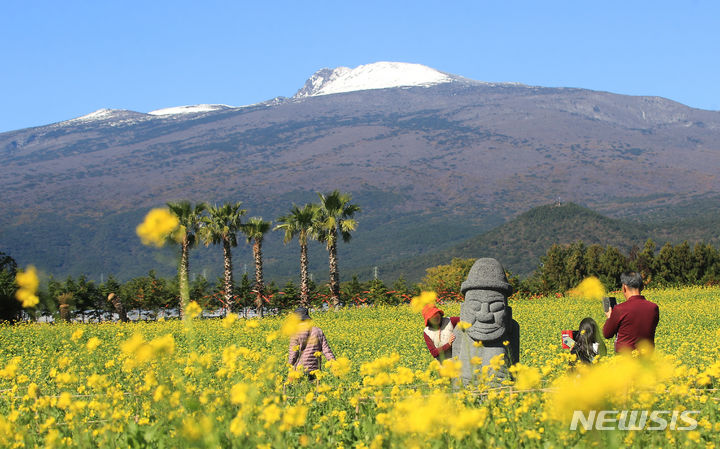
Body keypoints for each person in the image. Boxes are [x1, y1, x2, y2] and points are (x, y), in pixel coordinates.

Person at [602, 271, 660, 353]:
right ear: (642, 287)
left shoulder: (620, 309)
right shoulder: (654, 308)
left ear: (624, 287)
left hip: (626, 361)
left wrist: (610, 317)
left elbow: (607, 334)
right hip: (647, 360)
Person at [288, 307, 335, 379]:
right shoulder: (318, 331)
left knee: (301, 389)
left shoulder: (295, 333)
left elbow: (293, 354)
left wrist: (290, 367)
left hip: (300, 370)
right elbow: (327, 351)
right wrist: (334, 364)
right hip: (315, 370)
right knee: (313, 389)